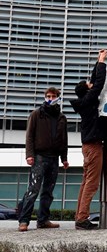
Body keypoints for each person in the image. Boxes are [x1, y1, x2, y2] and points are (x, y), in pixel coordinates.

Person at [18, 87, 69, 232]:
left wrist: (64, 158)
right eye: (48, 96)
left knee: (48, 191)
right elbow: (29, 136)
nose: (50, 98)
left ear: (58, 98)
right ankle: (24, 221)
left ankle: (43, 220)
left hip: (54, 159)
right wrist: (29, 155)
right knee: (33, 189)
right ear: (44, 97)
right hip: (39, 157)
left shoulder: (61, 118)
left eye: (53, 96)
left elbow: (64, 140)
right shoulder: (36, 114)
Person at [70, 49, 107, 230]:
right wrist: (102, 61)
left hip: (88, 146)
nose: (91, 84)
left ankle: (79, 216)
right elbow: (99, 83)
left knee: (85, 182)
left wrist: (97, 61)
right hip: (93, 147)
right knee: (91, 184)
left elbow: (94, 81)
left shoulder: (85, 102)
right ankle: (82, 218)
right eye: (88, 85)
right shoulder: (88, 101)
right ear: (86, 91)